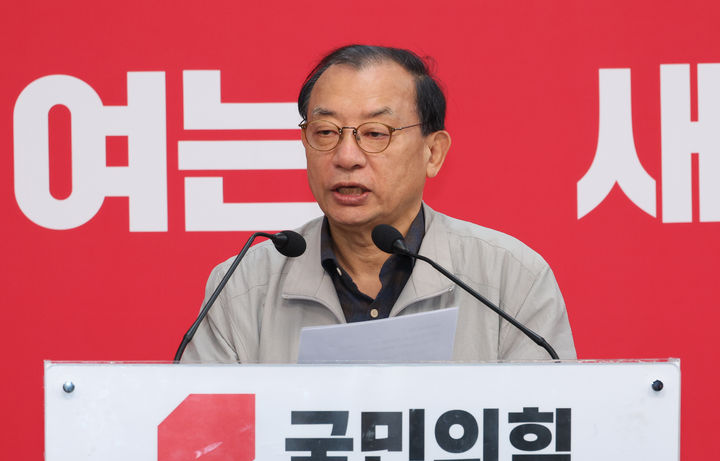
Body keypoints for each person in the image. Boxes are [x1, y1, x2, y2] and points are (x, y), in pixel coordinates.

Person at [181, 44, 575, 364]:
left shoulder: (510, 280)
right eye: (325, 131)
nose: (346, 156)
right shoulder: (242, 286)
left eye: (375, 133)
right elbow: (206, 432)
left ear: (433, 152)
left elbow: (546, 427)